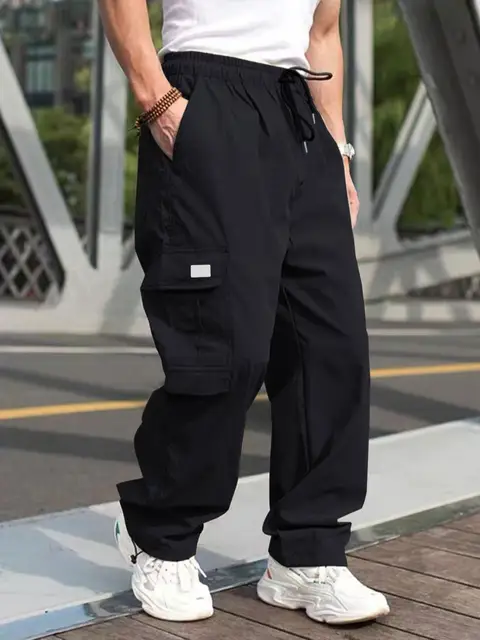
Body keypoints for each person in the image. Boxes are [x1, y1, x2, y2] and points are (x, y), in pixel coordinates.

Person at [99, 0, 390, 626]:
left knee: (330, 349)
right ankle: (160, 534)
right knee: (223, 346)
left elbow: (323, 31)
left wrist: (338, 148)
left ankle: (306, 553)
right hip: (204, 94)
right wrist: (156, 99)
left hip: (300, 114)